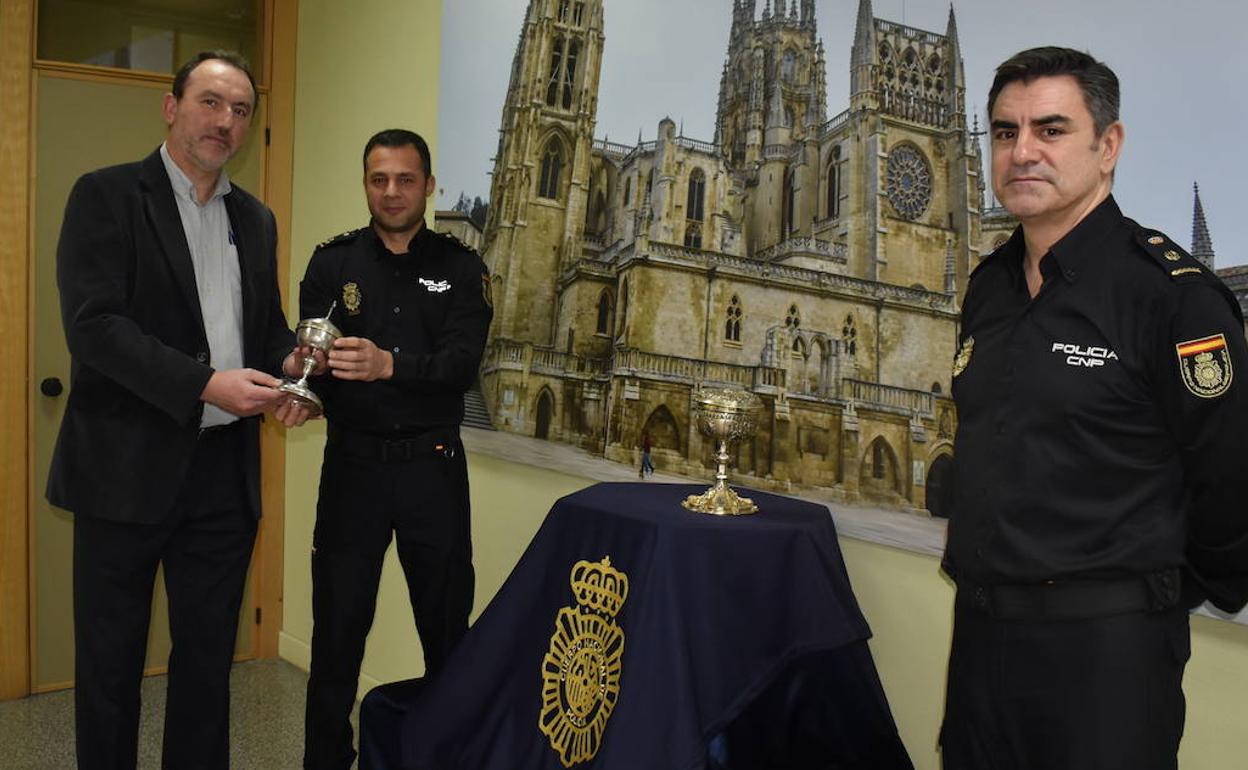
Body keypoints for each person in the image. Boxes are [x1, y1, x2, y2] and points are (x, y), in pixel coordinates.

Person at [939, 47, 1248, 769]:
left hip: (1106, 658)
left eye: (1051, 130)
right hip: (981, 642)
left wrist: (1143, 594)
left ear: (1107, 146)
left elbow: (1230, 482)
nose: (1023, 153)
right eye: (1005, 132)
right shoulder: (989, 289)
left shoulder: (1170, 296)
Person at [47, 51, 310, 769]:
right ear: (172, 108)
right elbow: (95, 328)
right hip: (122, 473)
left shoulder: (254, 220)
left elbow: (267, 332)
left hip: (222, 479)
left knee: (205, 670)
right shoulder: (105, 197)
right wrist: (206, 385)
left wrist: (295, 367)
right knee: (110, 669)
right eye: (210, 103)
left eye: (241, 110)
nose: (225, 121)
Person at [298, 129, 493, 769]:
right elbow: (309, 354)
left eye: (405, 179)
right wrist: (306, 373)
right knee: (336, 637)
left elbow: (462, 366)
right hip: (351, 469)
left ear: (429, 186)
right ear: (366, 184)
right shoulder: (333, 263)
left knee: (444, 633)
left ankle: (445, 758)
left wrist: (389, 365)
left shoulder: (462, 268)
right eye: (379, 179)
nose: (391, 192)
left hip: (431, 471)